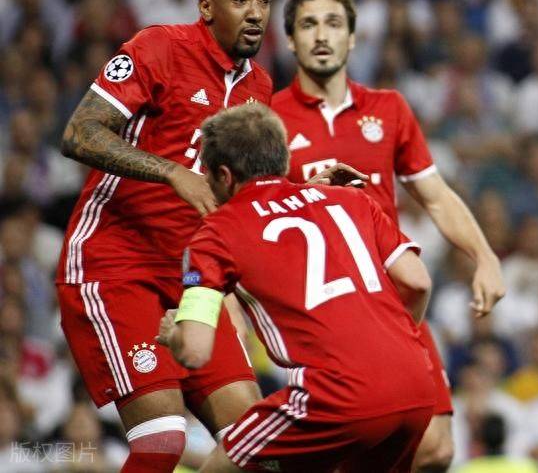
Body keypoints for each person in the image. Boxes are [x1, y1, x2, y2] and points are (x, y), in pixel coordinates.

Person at [269, 0, 506, 472]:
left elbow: (436, 196)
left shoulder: (388, 109)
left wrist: (484, 257)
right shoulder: (270, 119)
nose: (321, 35)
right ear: (289, 40)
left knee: (437, 449)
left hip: (395, 300)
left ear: (353, 37)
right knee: (356, 445)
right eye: (308, 25)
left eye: (333, 23)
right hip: (321, 311)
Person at [55, 0, 275, 472]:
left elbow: (244, 197)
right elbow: (79, 132)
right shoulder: (159, 47)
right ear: (207, 7)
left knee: (259, 448)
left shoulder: (260, 88)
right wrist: (171, 171)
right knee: (162, 440)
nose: (255, 13)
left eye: (264, 1)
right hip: (114, 263)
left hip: (192, 281)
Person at [157, 103, 437, 472]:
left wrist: (175, 335)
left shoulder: (216, 235)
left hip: (336, 396)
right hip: (416, 383)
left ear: (224, 175)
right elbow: (418, 282)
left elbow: (195, 351)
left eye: (206, 173)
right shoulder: (351, 199)